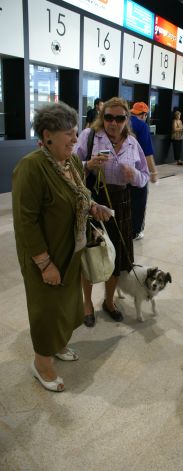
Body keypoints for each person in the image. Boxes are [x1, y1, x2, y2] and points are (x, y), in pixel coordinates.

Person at [12, 102, 112, 392]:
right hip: (46, 256)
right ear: (47, 136)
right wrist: (44, 263)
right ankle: (41, 365)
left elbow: (81, 194)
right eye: (68, 133)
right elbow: (25, 223)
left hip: (71, 251)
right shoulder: (31, 167)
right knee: (46, 310)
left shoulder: (71, 163)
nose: (75, 139)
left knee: (66, 305)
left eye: (74, 132)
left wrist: (94, 207)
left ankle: (57, 345)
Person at [74, 97, 150, 327]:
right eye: (108, 117)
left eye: (119, 118)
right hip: (94, 202)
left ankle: (108, 301)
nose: (113, 123)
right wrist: (88, 165)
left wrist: (134, 176)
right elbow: (69, 166)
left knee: (117, 257)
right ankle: (87, 303)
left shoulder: (132, 144)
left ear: (127, 119)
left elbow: (144, 176)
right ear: (102, 117)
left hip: (122, 204)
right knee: (91, 255)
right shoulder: (89, 137)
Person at [129, 101, 158, 240]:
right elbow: (147, 152)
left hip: (118, 169)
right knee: (139, 201)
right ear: (144, 115)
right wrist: (153, 172)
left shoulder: (122, 122)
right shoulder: (142, 126)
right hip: (137, 171)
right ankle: (136, 231)